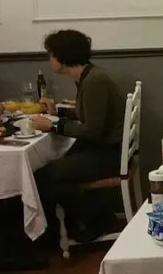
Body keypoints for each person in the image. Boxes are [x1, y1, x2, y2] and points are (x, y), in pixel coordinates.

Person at [31, 30, 126, 243]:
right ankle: (83, 220)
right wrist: (58, 112)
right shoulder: (90, 76)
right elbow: (91, 115)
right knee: (52, 171)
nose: (50, 59)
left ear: (63, 56)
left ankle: (97, 219)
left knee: (43, 177)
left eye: (51, 54)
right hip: (105, 147)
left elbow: (92, 130)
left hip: (108, 153)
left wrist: (54, 126)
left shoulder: (94, 81)